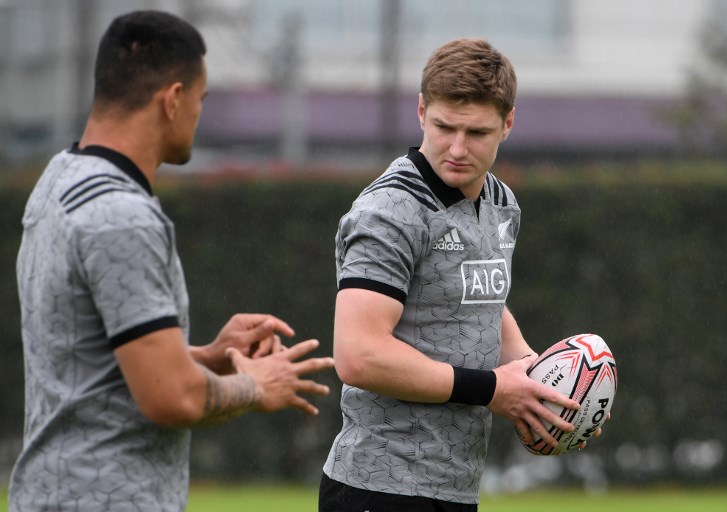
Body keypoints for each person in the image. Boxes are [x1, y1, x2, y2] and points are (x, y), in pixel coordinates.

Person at [8, 10, 334, 511]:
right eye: (200, 100)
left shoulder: (59, 179)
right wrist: (254, 385)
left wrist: (208, 356)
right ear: (174, 99)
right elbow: (169, 398)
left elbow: (93, 363)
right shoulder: (122, 216)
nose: (198, 115)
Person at [319, 38, 593, 511]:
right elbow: (358, 355)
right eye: (445, 127)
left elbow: (477, 299)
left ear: (508, 124)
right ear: (422, 111)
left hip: (455, 487)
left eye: (478, 133)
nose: (458, 149)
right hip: (378, 486)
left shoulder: (503, 203)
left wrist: (541, 380)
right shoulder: (389, 211)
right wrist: (491, 389)